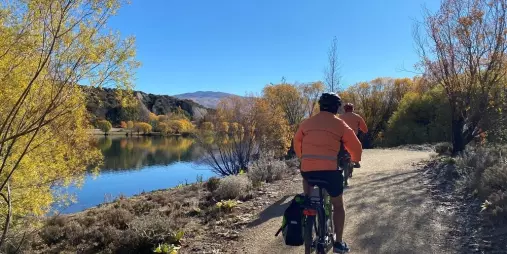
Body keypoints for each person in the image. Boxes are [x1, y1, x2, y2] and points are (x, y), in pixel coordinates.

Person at [294, 92, 362, 253]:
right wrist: (355, 159)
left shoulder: (306, 123)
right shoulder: (339, 124)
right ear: (336, 107)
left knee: (307, 177)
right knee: (338, 205)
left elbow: (297, 141)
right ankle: (338, 243)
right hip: (330, 173)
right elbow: (356, 146)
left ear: (320, 106)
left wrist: (302, 158)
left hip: (308, 171)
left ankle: (309, 201)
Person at [338, 103, 368, 168]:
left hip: (342, 137)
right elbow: (365, 129)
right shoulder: (357, 117)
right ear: (352, 109)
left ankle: (338, 161)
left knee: (338, 148)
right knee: (357, 147)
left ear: (344, 109)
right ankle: (356, 162)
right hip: (353, 136)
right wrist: (363, 131)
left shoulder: (340, 117)